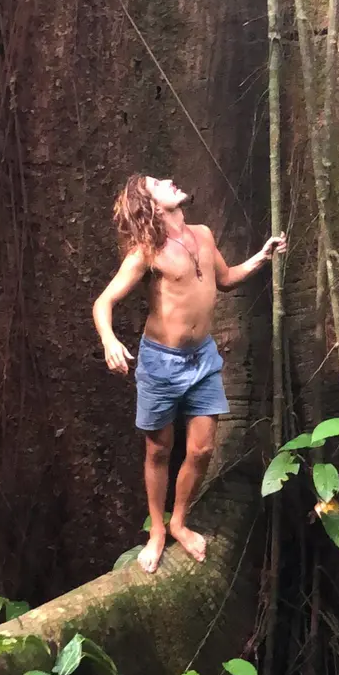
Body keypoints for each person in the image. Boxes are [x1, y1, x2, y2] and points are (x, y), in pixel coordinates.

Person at [93, 175, 286, 573]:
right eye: (157, 183)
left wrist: (262, 257)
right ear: (149, 203)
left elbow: (226, 278)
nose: (169, 180)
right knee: (158, 450)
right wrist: (110, 341)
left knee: (201, 450)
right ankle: (157, 531)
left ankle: (179, 520)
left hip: (202, 359)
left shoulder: (202, 233)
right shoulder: (146, 252)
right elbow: (103, 302)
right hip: (161, 362)